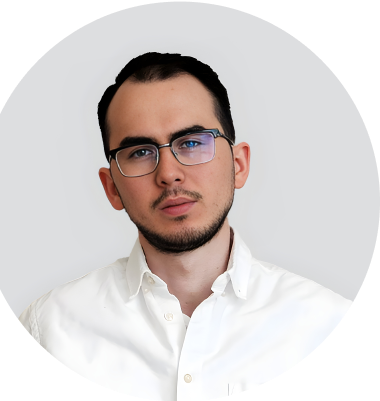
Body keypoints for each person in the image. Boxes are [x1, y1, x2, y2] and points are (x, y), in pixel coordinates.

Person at [19, 52, 352, 399]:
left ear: (238, 165)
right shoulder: (50, 330)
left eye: (192, 143)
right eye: (140, 152)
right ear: (111, 187)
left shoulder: (323, 324)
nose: (168, 174)